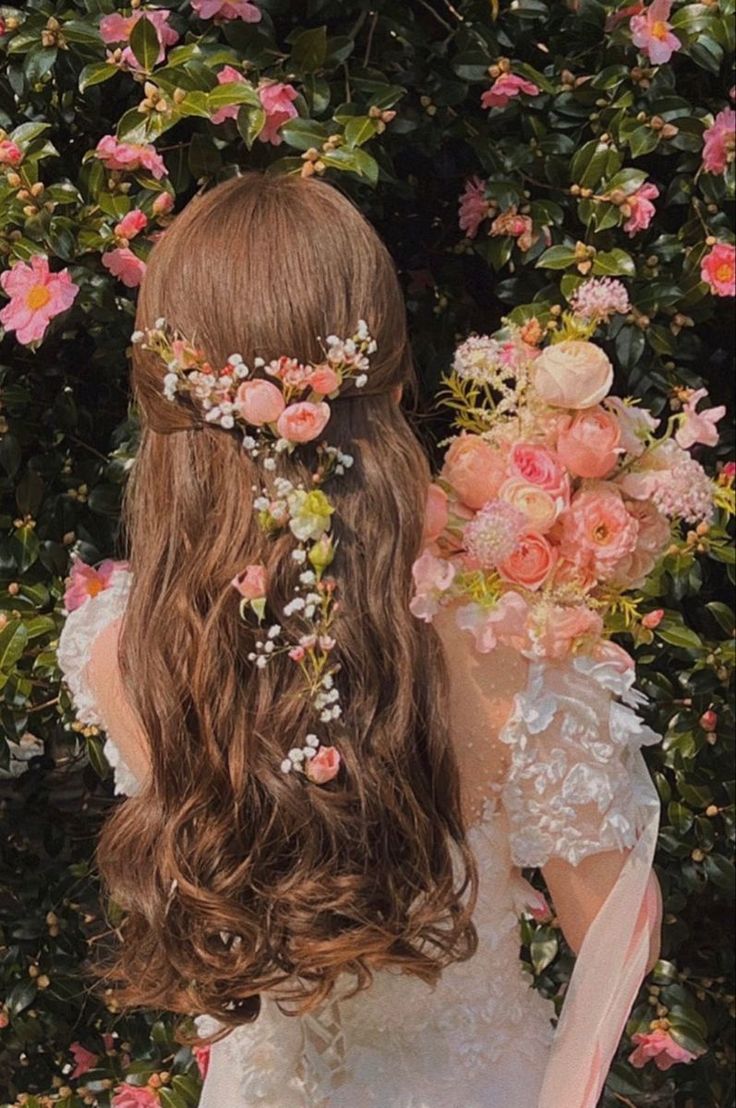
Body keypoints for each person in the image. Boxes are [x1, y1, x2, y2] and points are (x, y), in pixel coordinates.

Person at [57, 173, 662, 1108]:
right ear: (380, 371)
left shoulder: (123, 652)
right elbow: (619, 937)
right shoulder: (509, 652)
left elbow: (215, 931)